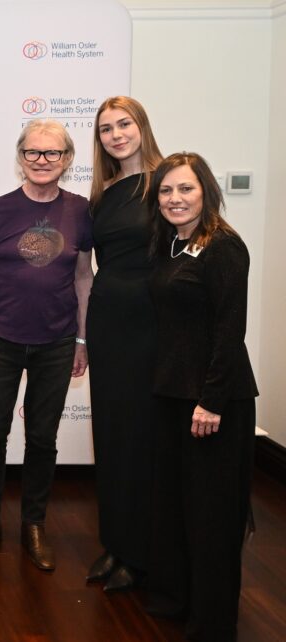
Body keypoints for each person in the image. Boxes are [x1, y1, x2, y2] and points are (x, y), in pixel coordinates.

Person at [0, 119, 93, 570]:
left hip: (57, 341)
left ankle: (34, 524)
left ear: (67, 159)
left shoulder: (80, 211)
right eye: (33, 152)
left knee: (42, 437)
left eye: (52, 153)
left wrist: (82, 339)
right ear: (20, 157)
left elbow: (84, 278)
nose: (42, 160)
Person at [146, 152, 257, 641]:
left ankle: (212, 622)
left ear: (206, 191)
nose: (175, 198)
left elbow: (230, 332)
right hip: (173, 395)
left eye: (185, 188)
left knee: (213, 515)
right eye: (166, 190)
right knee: (177, 506)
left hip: (214, 403)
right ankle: (179, 600)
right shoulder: (171, 244)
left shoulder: (224, 247)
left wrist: (211, 400)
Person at [85, 96, 164, 592]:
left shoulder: (166, 181)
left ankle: (142, 552)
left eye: (124, 124)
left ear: (141, 127)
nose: (116, 135)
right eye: (106, 129)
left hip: (150, 322)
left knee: (143, 438)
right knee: (112, 435)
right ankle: (115, 543)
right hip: (108, 321)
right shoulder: (105, 191)